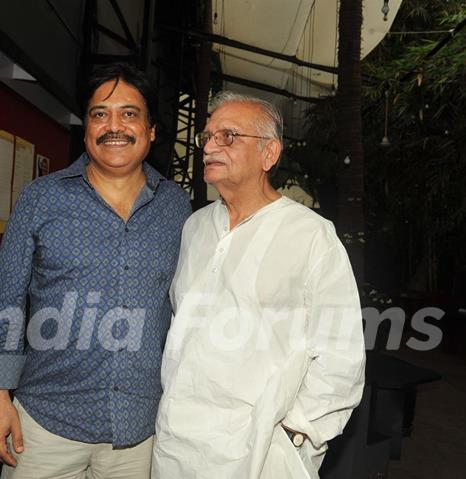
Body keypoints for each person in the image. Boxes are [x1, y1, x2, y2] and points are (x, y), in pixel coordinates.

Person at [0, 63, 191, 479]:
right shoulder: (42, 199)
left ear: (151, 131)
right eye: (99, 114)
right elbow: (6, 301)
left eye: (129, 114)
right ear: (87, 127)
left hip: (138, 430)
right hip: (44, 425)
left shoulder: (176, 208)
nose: (114, 126)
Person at [151, 91, 366, 479]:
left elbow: (341, 351)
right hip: (178, 443)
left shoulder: (311, 235)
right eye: (207, 136)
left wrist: (299, 432)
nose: (210, 146)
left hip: (262, 452)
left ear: (270, 154)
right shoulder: (195, 227)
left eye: (228, 136)